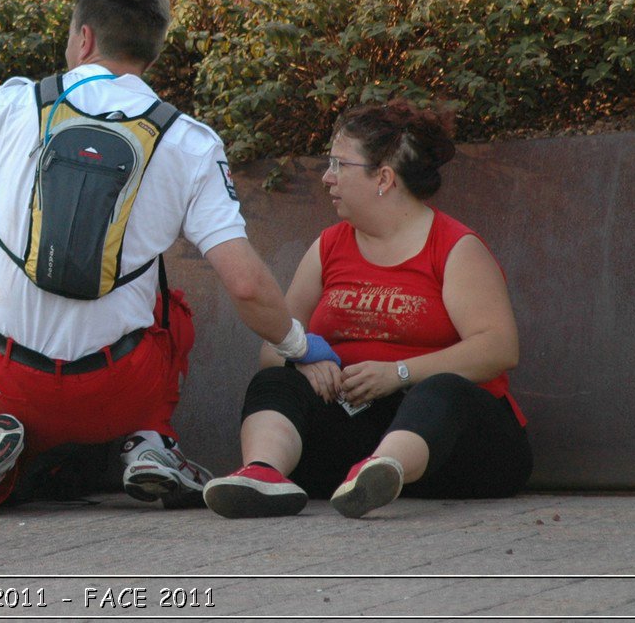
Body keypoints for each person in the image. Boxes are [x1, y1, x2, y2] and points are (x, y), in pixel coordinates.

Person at [0, 0, 340, 518]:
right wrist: (296, 344)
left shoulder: (18, 104)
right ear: (152, 51)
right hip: (118, 390)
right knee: (174, 314)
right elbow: (244, 283)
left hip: (6, 381)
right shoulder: (189, 140)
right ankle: (146, 442)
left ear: (85, 39)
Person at [202, 100, 531, 520]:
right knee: (276, 381)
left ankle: (385, 468)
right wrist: (303, 360)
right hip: (356, 427)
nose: (327, 178)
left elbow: (500, 348)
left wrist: (398, 374)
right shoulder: (329, 246)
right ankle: (264, 474)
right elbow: (274, 342)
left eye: (340, 165)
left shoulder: (452, 247)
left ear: (384, 178)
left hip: (460, 448)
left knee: (441, 389)